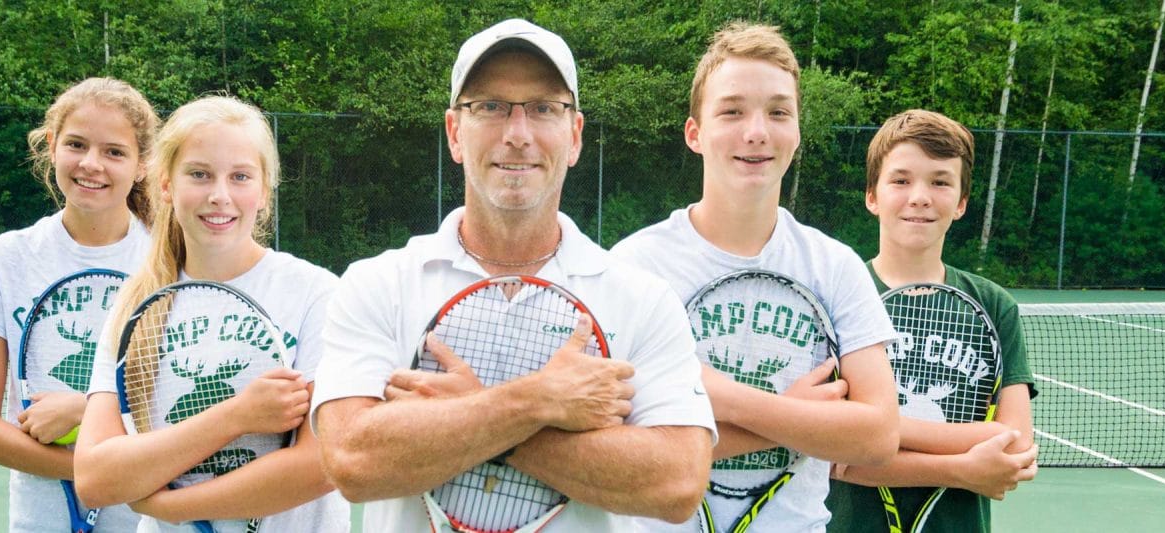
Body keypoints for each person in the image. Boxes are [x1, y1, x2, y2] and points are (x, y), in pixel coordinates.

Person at [310, 18, 713, 532]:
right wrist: (540, 400)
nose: (517, 134)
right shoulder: (376, 284)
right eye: (491, 107)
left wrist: (468, 414)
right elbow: (353, 461)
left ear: (574, 135)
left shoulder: (643, 298)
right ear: (456, 133)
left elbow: (676, 483)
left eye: (544, 108)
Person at [609, 22, 901, 532]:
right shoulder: (634, 265)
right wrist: (798, 421)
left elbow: (877, 437)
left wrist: (715, 396)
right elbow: (618, 447)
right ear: (694, 133)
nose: (757, 131)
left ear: (796, 133)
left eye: (778, 112)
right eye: (732, 110)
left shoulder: (834, 267)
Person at [72, 95, 347, 532]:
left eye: (240, 177)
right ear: (167, 186)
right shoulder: (136, 305)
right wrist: (238, 416)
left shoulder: (316, 294)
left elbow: (322, 464)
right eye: (199, 174)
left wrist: (171, 506)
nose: (220, 196)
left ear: (263, 191)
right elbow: (94, 476)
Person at [0, 77, 156, 532]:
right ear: (51, 145)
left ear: (143, 164)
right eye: (76, 145)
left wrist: (85, 411)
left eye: (114, 152)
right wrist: (93, 470)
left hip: (149, 518)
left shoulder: (173, 265)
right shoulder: (3, 262)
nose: (91, 164)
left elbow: (185, 414)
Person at [826, 109, 1038, 533]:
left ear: (960, 202)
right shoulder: (836, 296)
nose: (920, 196)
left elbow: (1015, 443)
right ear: (872, 196)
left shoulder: (994, 306)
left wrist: (873, 431)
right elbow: (831, 455)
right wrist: (962, 467)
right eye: (901, 180)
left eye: (940, 181)